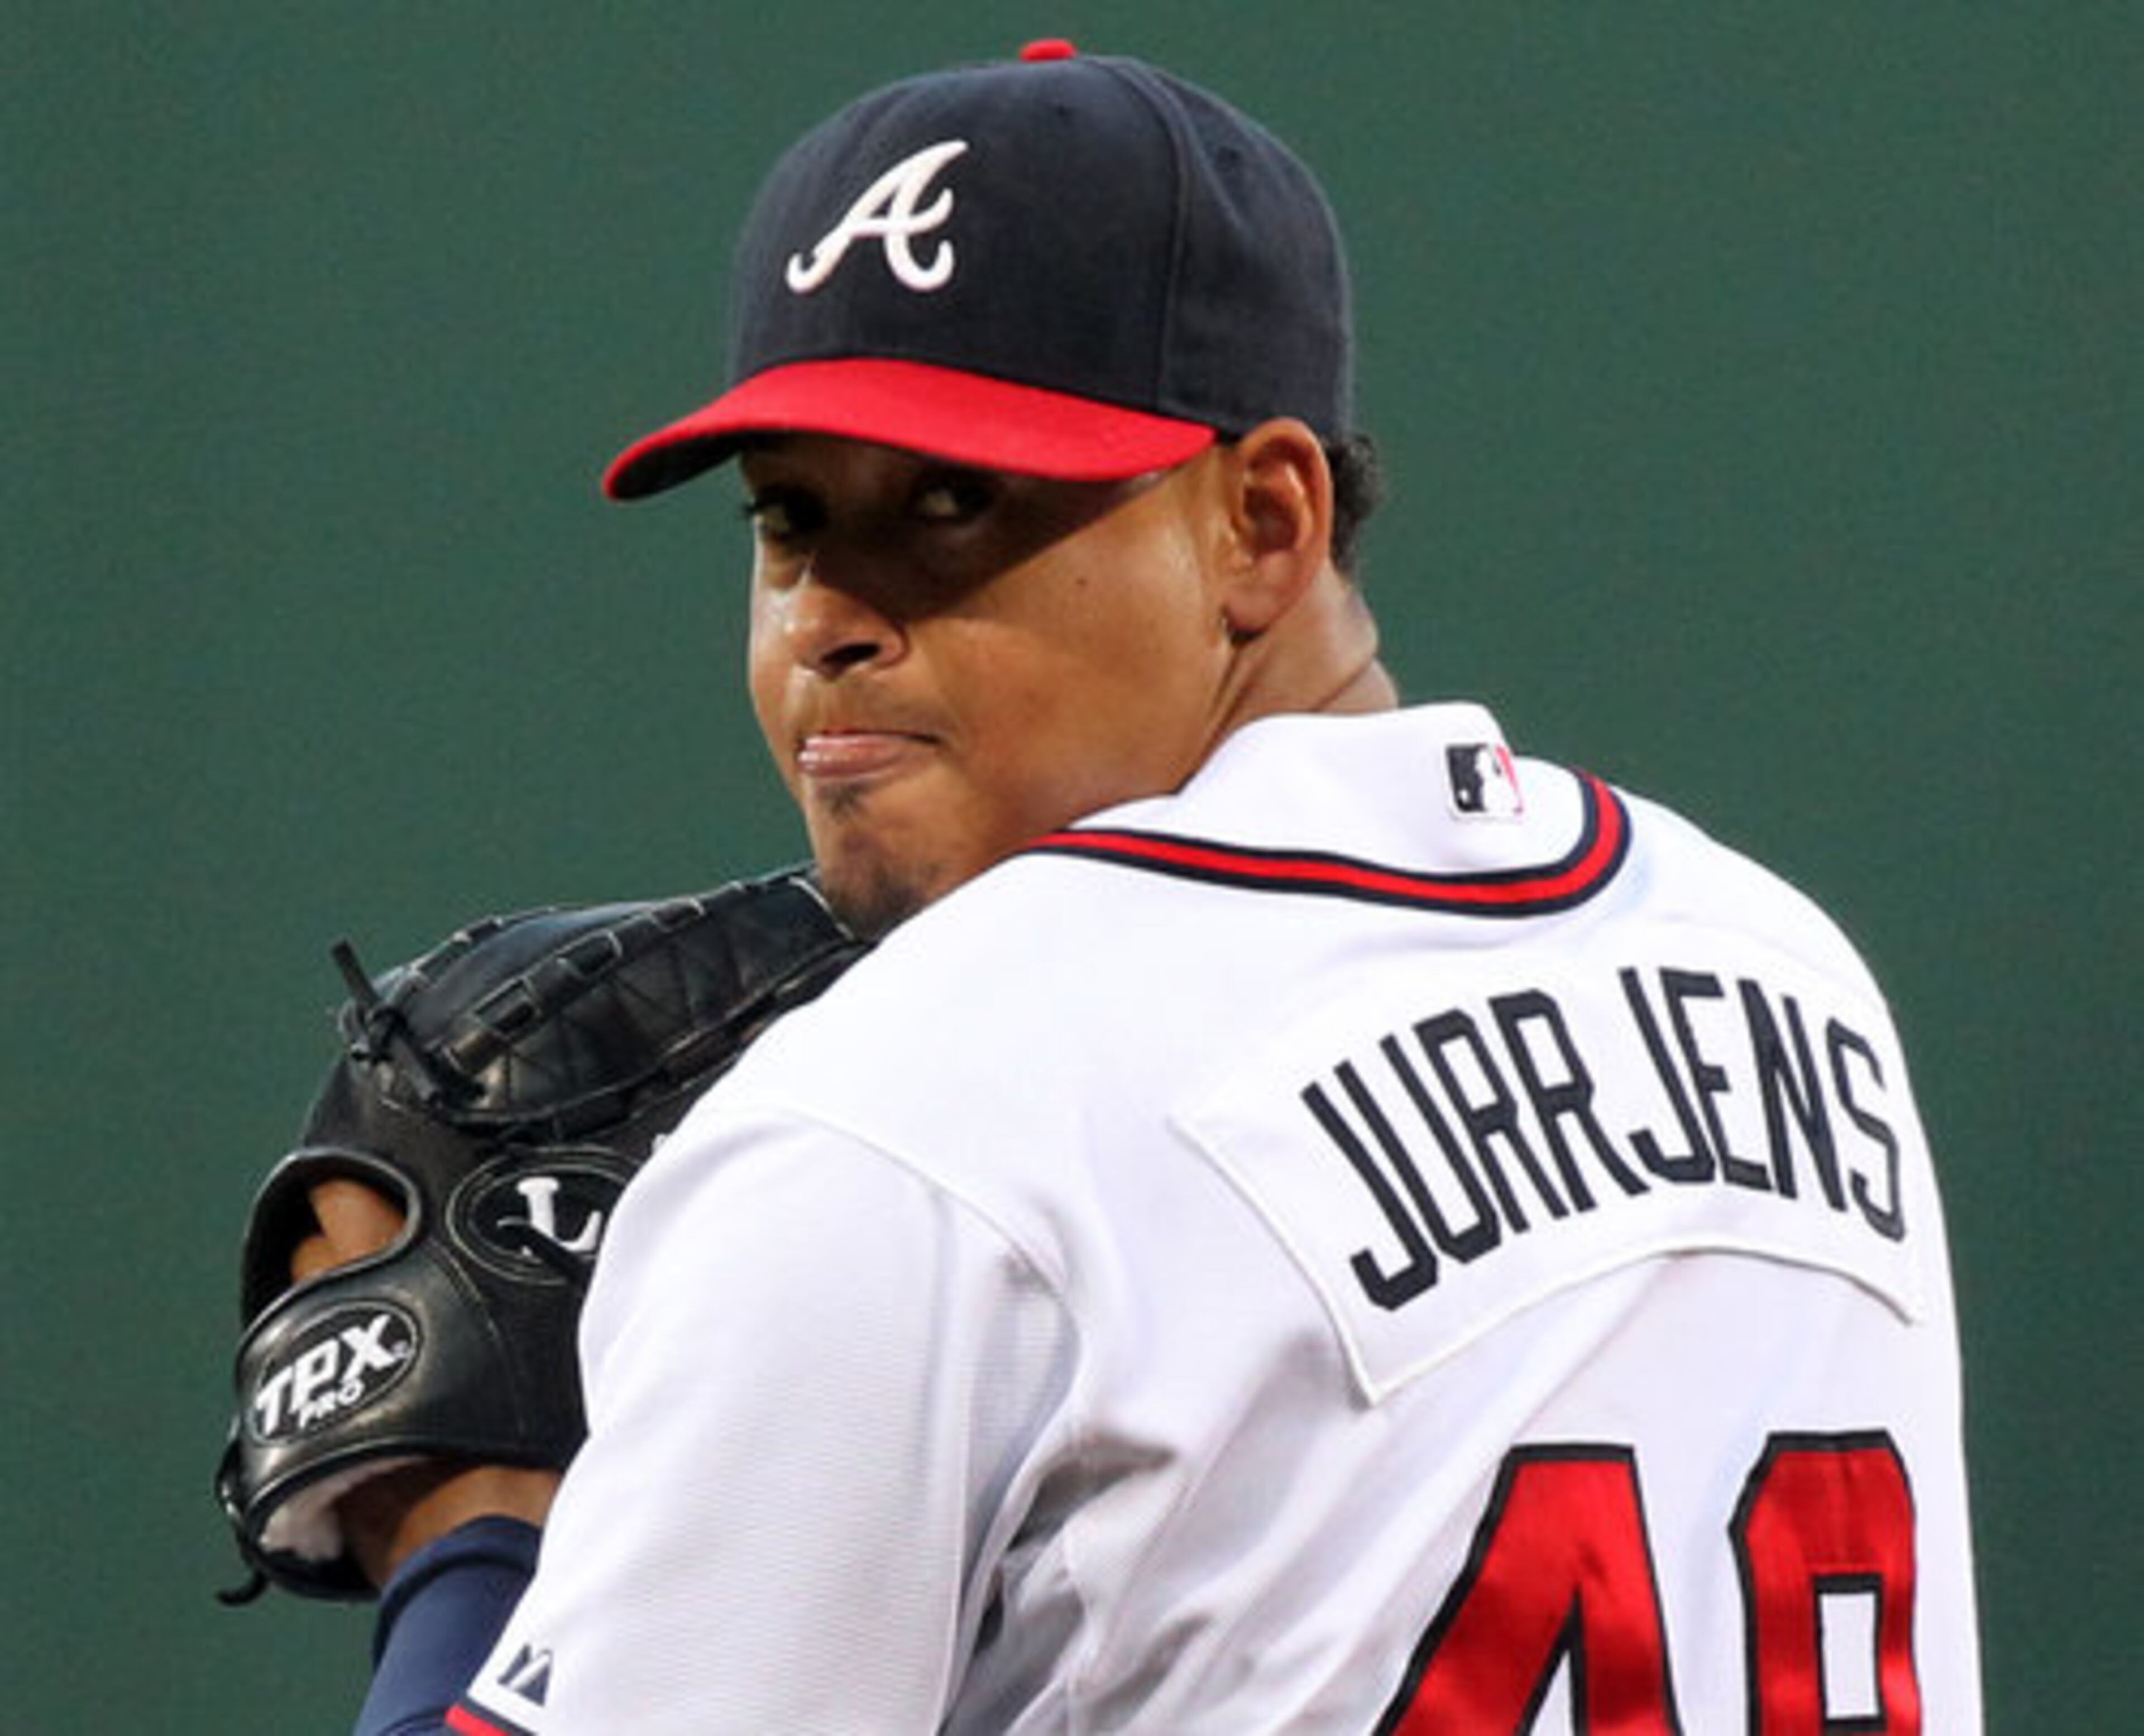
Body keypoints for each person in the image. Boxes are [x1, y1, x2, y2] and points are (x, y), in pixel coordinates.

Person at [298, 38, 1981, 1733]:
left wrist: (469, 1539)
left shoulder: (903, 1128)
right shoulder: (1779, 974)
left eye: (951, 503)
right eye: (791, 519)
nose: (828, 619)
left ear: (1264, 523)